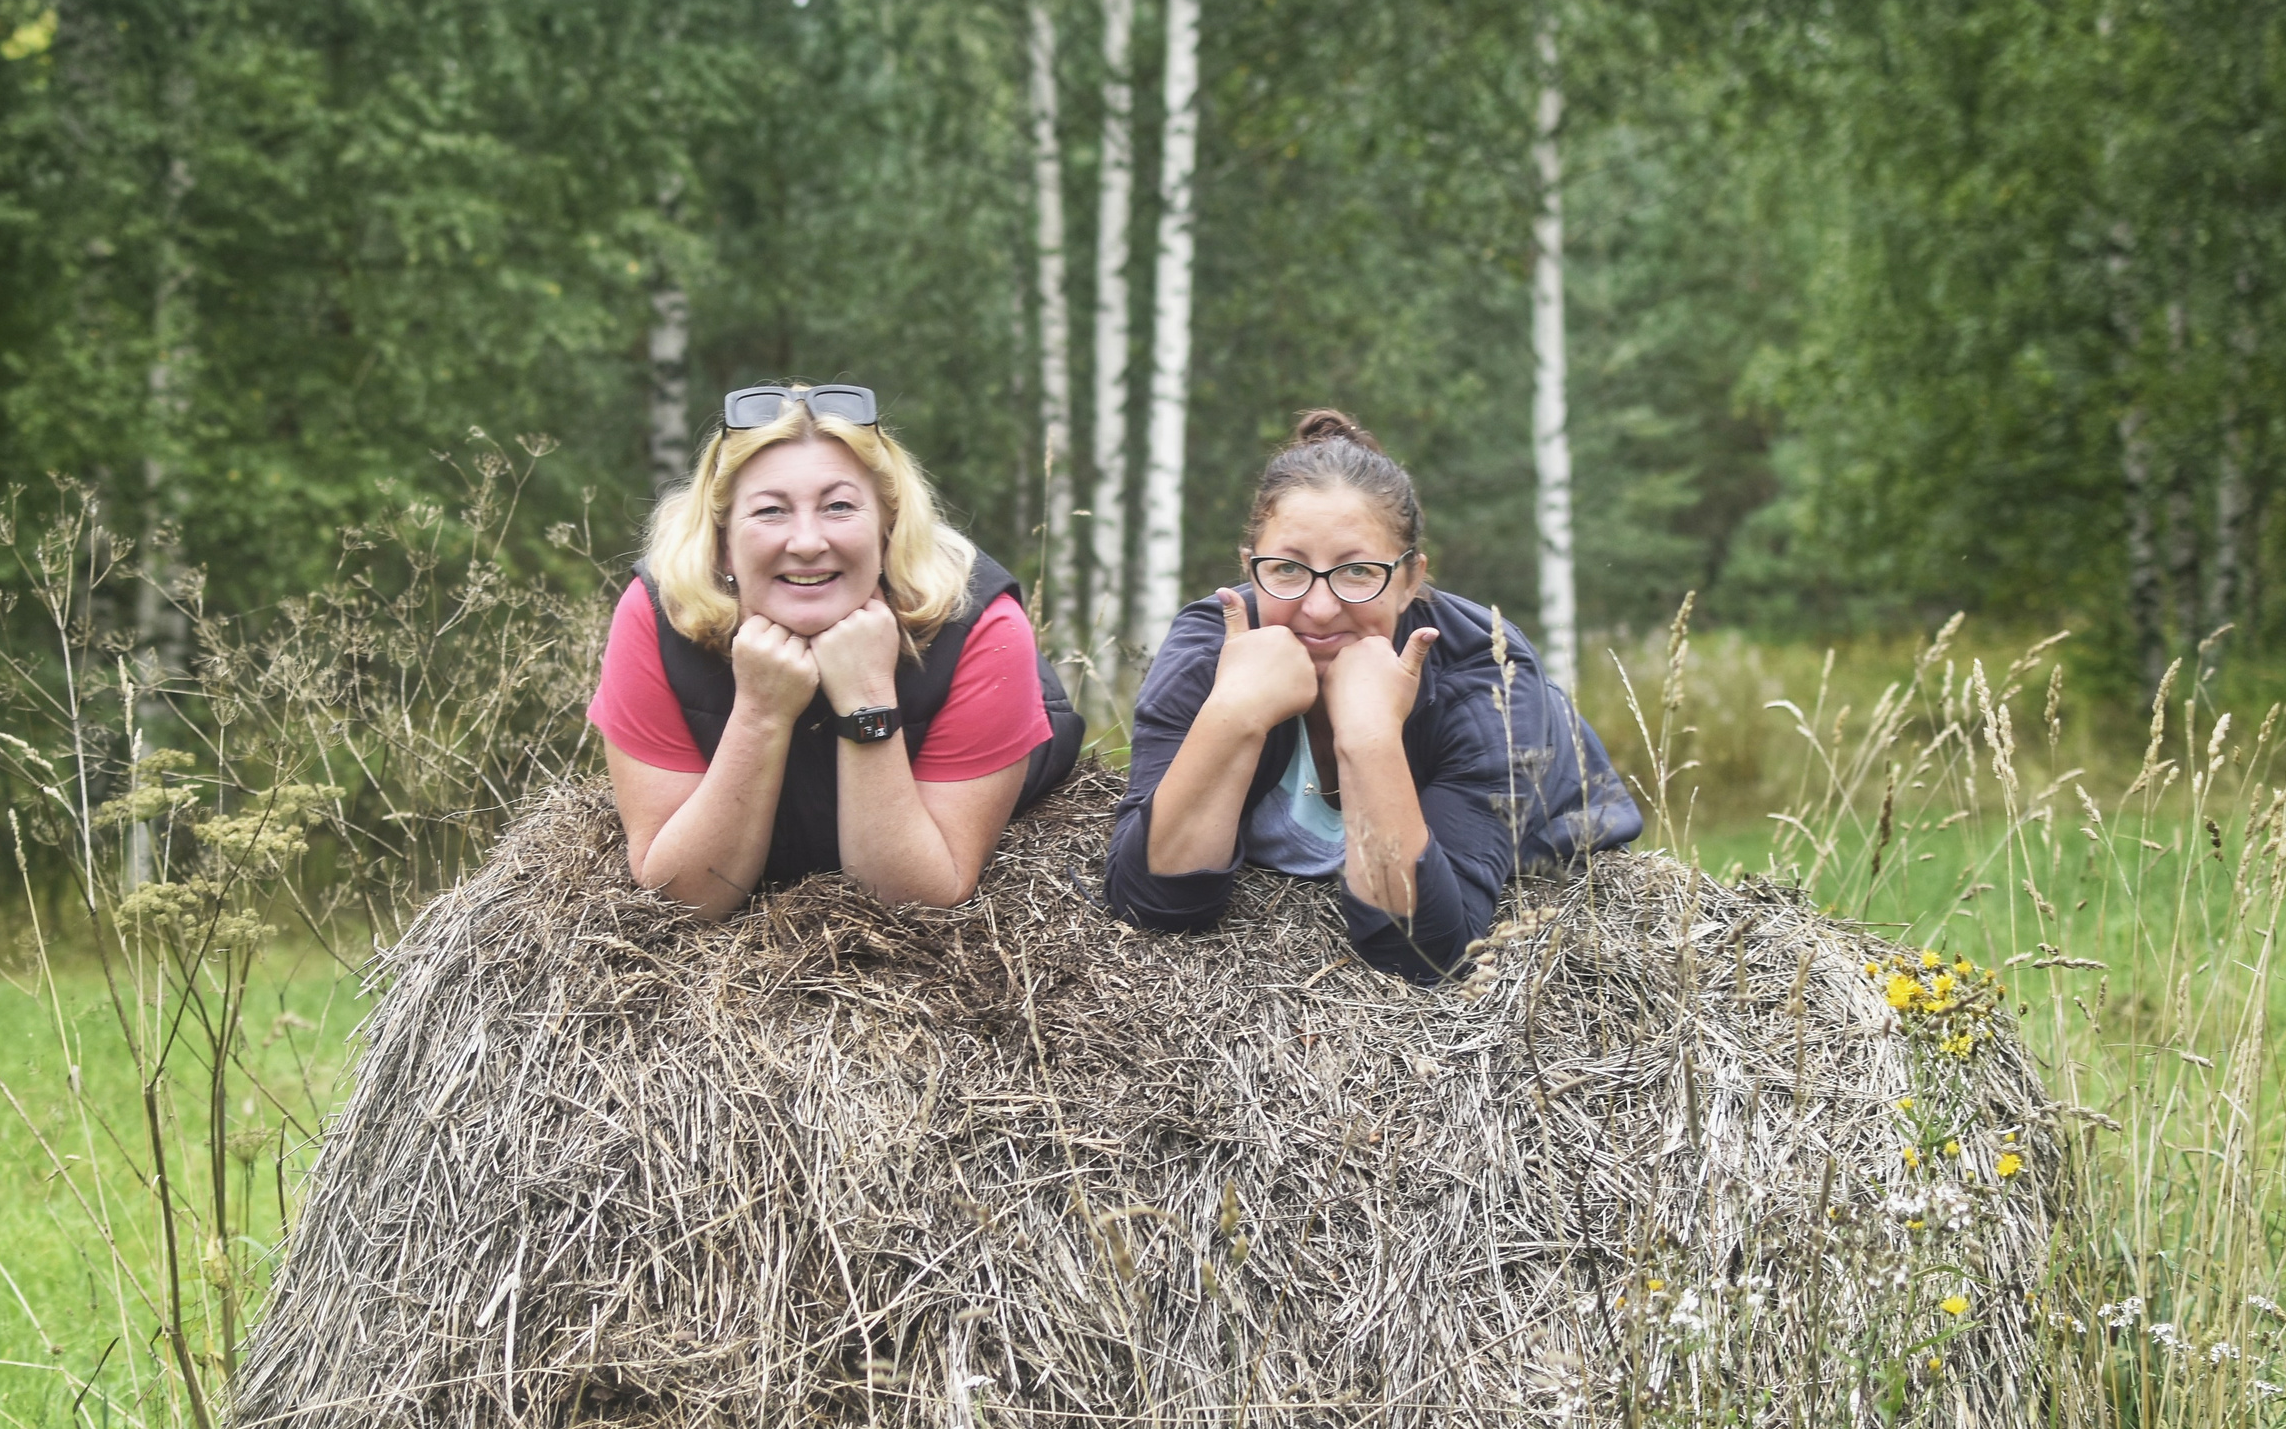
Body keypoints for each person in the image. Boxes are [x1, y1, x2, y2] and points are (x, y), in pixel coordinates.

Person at [1106, 409, 1642, 981]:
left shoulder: (1487, 676)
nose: (1319, 608)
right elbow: (1152, 903)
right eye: (1286, 569)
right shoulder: (1206, 645)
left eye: (1358, 572)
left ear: (1410, 579)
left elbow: (1423, 953)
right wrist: (1234, 713)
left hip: (1548, 853)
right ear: (1250, 568)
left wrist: (1369, 735)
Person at [590, 381, 1083, 916]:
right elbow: (683, 897)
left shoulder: (980, 624)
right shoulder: (657, 614)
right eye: (771, 511)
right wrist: (760, 713)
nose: (807, 542)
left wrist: (867, 695)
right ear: (722, 541)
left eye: (839, 506)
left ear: (888, 527)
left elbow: (914, 898)